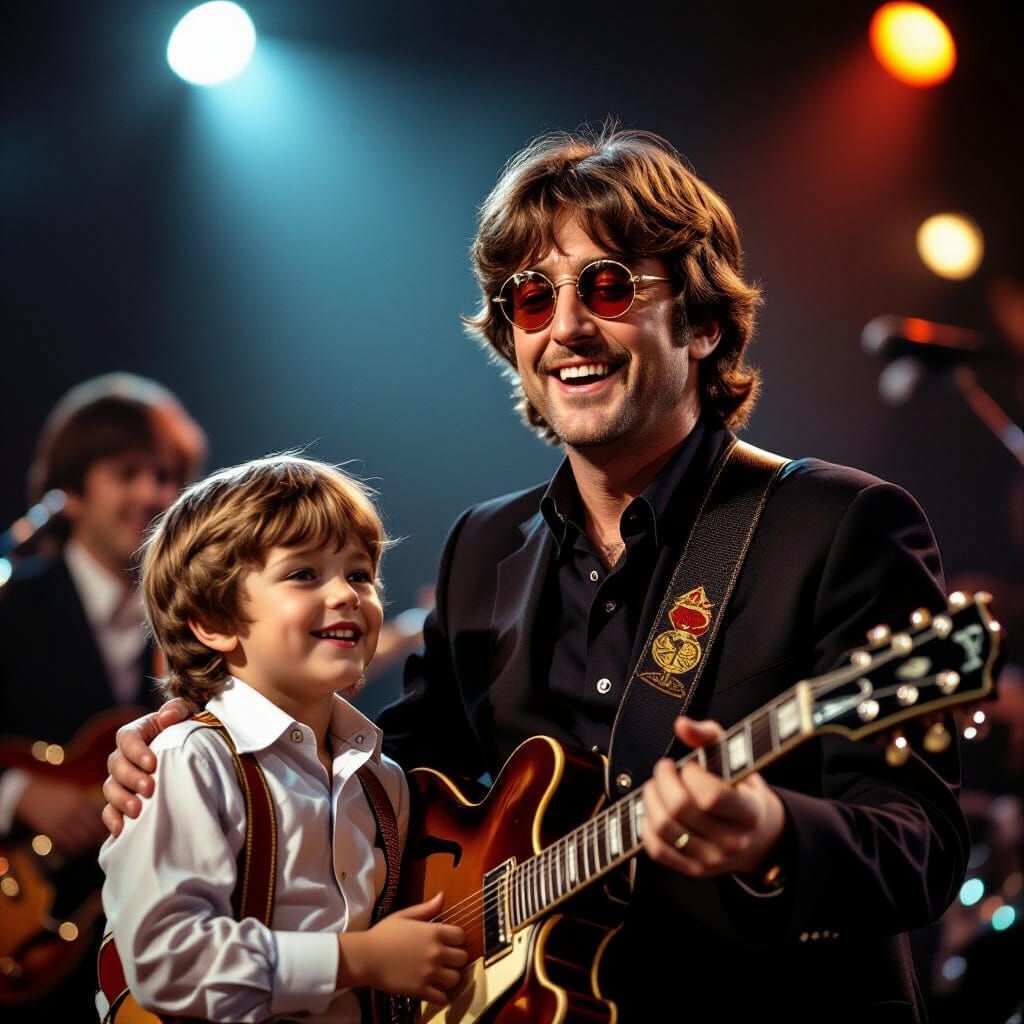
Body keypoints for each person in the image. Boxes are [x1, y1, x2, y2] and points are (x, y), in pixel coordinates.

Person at [102, 128, 970, 1022]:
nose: (566, 326)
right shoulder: (484, 545)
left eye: (609, 286)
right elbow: (389, 779)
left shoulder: (837, 526)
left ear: (703, 323)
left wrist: (771, 836)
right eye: (529, 298)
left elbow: (923, 848)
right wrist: (207, 744)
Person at [99, 455, 468, 1022]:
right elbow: (167, 961)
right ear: (213, 622)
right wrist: (357, 959)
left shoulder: (382, 781)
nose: (347, 594)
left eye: (360, 573)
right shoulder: (187, 760)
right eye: (304, 574)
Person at [0, 372, 206, 1017]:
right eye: (128, 472)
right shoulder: (12, 607)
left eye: (168, 476)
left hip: (135, 946)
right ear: (71, 493)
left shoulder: (198, 623)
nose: (154, 494)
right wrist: (18, 794)